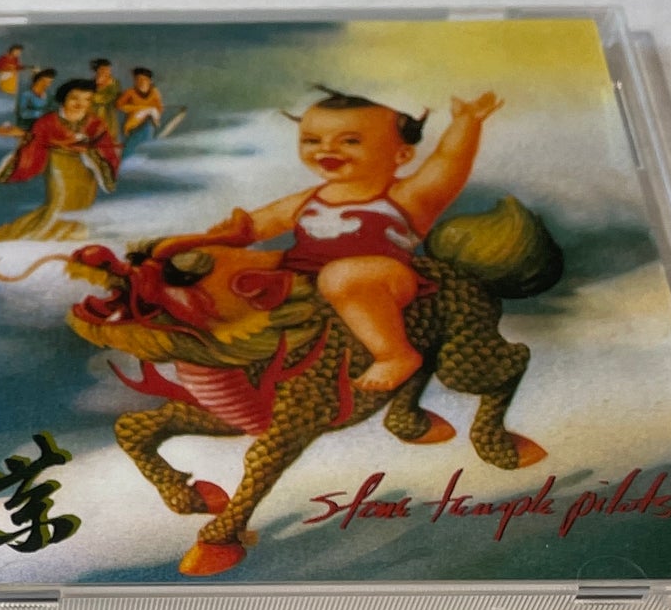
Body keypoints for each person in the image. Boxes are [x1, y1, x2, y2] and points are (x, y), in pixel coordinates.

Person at [201, 88, 503, 392]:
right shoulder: (309, 198)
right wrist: (230, 234)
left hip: (381, 278)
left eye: (350, 141)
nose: (327, 149)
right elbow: (257, 225)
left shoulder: (406, 197)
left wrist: (467, 121)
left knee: (341, 276)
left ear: (401, 154)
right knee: (213, 262)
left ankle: (395, 354)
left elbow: (449, 160)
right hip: (303, 272)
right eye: (312, 140)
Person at [0, 78, 122, 241]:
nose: (80, 103)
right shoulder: (48, 120)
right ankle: (45, 233)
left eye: (87, 99)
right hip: (59, 164)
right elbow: (37, 140)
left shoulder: (95, 122)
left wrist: (89, 150)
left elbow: (105, 146)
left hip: (87, 166)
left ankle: (71, 232)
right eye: (74, 98)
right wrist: (23, 134)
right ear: (64, 98)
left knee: (83, 201)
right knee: (61, 199)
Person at [116, 67, 165, 141]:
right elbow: (118, 105)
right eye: (138, 79)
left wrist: (151, 112)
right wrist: (139, 108)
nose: (141, 82)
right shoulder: (130, 92)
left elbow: (160, 108)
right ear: (135, 81)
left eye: (144, 79)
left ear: (149, 81)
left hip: (150, 123)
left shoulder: (155, 93)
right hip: (133, 125)